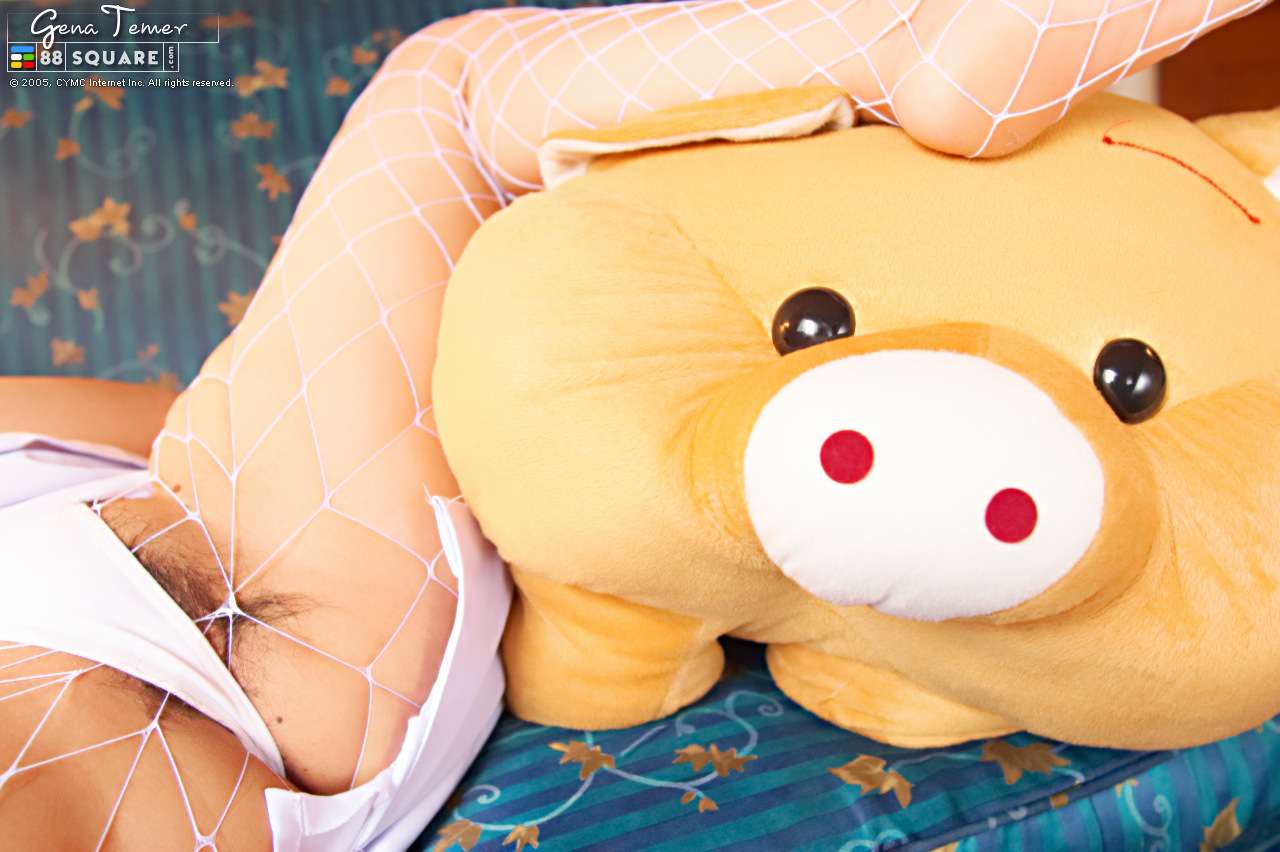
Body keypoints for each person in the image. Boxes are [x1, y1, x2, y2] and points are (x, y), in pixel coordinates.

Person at [0, 0, 1265, 847]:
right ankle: (906, 51)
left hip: (213, 586)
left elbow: (181, 414)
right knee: (444, 89)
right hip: (227, 635)